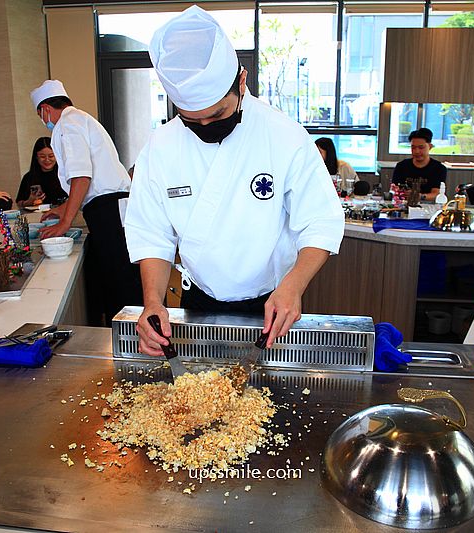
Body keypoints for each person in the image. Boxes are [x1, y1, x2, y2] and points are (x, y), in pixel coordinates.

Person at [126, 5, 344, 355]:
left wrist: (294, 285)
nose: (207, 128)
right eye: (192, 122)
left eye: (217, 115)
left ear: (241, 81)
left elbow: (321, 221)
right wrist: (152, 301)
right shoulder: (160, 147)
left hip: (273, 302)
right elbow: (150, 233)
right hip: (198, 300)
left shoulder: (283, 135)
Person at [30, 79, 142, 326]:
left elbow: (82, 175)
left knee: (120, 282)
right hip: (115, 206)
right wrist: (62, 210)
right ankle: (132, 335)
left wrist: (65, 222)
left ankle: (130, 340)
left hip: (107, 210)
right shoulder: (81, 118)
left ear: (46, 109)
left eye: (40, 114)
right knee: (125, 276)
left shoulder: (66, 125)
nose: (44, 120)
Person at [391, 128, 446, 202]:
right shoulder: (401, 166)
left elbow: (436, 194)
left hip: (428, 206)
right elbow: (394, 189)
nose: (416, 151)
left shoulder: (439, 168)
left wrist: (419, 196)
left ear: (430, 146)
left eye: (421, 147)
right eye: (413, 147)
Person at [15, 137, 67, 209]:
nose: (47, 160)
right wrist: (29, 202)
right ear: (36, 157)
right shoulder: (29, 177)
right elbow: (19, 203)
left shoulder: (64, 174)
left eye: (51, 156)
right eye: (42, 156)